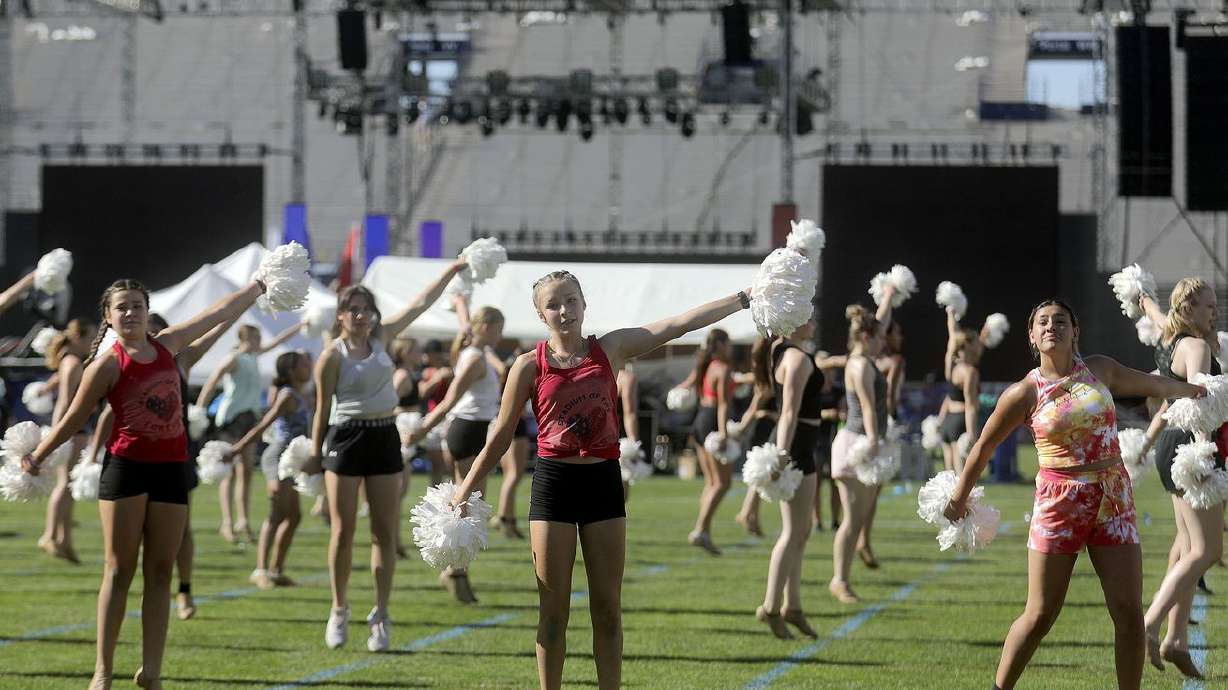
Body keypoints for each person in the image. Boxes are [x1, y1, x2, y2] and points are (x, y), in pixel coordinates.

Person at [446, 270, 753, 690]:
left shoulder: (611, 348)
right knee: (553, 611)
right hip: (553, 485)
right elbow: (500, 435)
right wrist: (465, 490)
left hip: (603, 483)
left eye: (571, 300)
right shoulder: (526, 366)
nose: (564, 310)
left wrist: (745, 297)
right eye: (553, 304)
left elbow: (678, 323)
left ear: (584, 304)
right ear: (541, 314)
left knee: (607, 608)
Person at [943, 299, 1206, 690]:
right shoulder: (1024, 392)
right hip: (1058, 503)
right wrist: (958, 499)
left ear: (1075, 331)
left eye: (1061, 321)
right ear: (1033, 337)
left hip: (1113, 498)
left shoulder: (1100, 369)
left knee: (1129, 612)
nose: (1052, 327)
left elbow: (1155, 384)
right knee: (1040, 614)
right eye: (1043, 323)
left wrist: (1199, 391)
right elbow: (983, 446)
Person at [20, 278, 268, 690]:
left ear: (147, 312)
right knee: (119, 570)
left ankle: (151, 671)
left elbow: (218, 312)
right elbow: (75, 418)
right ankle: (103, 670)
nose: (131, 313)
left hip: (171, 469)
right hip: (126, 470)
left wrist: (258, 286)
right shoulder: (106, 364)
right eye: (122, 307)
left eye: (137, 305)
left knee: (160, 571)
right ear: (109, 317)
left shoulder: (168, 344)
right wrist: (39, 455)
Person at [307, 261, 467, 652]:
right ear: (341, 315)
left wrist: (454, 269)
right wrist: (314, 454)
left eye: (367, 309)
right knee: (343, 531)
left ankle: (380, 614)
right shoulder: (331, 355)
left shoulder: (383, 338)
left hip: (383, 436)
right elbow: (322, 408)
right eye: (354, 309)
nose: (361, 315)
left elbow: (421, 303)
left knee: (384, 531)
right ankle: (339, 607)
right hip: (345, 438)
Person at [1138, 279, 1224, 679]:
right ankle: (1149, 624)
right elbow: (1198, 399)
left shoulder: (1173, 341)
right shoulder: (1198, 347)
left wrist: (1146, 304)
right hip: (1191, 449)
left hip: (1171, 446)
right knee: (1205, 551)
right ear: (1189, 309)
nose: (1215, 312)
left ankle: (1175, 640)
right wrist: (1204, 455)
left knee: (1187, 545)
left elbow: (1169, 402)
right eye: (1208, 307)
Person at [410, 296, 506, 602]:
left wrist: (461, 302)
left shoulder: (472, 350)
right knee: (466, 507)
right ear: (488, 327)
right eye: (498, 330)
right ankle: (456, 572)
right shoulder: (475, 358)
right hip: (468, 430)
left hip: (473, 429)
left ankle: (455, 570)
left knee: (471, 504)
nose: (500, 336)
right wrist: (422, 430)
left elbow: (467, 325)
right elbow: (450, 399)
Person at [196, 322, 300, 543]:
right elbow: (213, 380)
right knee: (229, 471)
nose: (260, 341)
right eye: (255, 337)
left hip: (250, 417)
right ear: (245, 338)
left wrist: (300, 326)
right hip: (232, 417)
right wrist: (199, 409)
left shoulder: (253, 357)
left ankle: (243, 520)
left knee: (247, 472)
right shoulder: (233, 358)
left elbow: (278, 341)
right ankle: (227, 522)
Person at [755, 315, 826, 640]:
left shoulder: (785, 351)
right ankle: (771, 607)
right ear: (793, 323)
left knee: (801, 531)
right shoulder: (795, 358)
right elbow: (788, 413)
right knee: (792, 533)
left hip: (803, 448)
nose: (812, 321)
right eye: (805, 317)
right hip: (797, 450)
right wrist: (781, 456)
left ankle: (793, 606)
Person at [828, 289, 899, 602]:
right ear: (867, 336)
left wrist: (889, 296)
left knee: (859, 517)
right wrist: (873, 440)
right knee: (853, 520)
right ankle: (839, 580)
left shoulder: (864, 357)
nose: (884, 342)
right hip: (857, 443)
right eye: (879, 337)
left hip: (865, 441)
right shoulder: (860, 365)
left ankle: (843, 578)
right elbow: (869, 407)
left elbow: (879, 321)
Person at [227, 350, 315, 590]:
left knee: (294, 517)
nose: (309, 366)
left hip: (294, 459)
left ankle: (277, 571)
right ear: (290, 371)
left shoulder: (303, 394)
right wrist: (239, 448)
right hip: (278, 458)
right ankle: (260, 570)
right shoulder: (287, 395)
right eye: (303, 364)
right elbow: (264, 425)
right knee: (277, 514)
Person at [37, 318, 98, 564]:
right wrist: (56, 434)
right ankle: (50, 534)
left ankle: (65, 539)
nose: (93, 342)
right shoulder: (72, 362)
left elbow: (57, 384)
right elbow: (64, 401)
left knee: (70, 483)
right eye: (90, 337)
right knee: (65, 482)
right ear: (78, 338)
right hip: (72, 428)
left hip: (78, 427)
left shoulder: (70, 361)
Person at [678, 329, 734, 555]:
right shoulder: (723, 368)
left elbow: (686, 385)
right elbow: (723, 405)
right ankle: (700, 529)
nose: (731, 348)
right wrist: (723, 434)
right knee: (722, 483)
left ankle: (705, 533)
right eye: (728, 343)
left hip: (699, 421)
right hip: (712, 422)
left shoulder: (705, 365)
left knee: (712, 482)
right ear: (720, 344)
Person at [938, 309, 983, 475]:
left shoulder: (952, 365)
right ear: (968, 345)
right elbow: (971, 406)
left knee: (948, 480)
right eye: (977, 342)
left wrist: (950, 314)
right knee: (962, 480)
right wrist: (972, 435)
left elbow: (952, 337)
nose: (980, 345)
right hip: (960, 423)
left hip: (947, 423)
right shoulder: (970, 372)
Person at [617, 361, 640, 502]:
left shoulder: (592, 372)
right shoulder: (626, 378)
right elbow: (629, 413)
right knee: (621, 489)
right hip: (615, 437)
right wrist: (634, 444)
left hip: (593, 437)